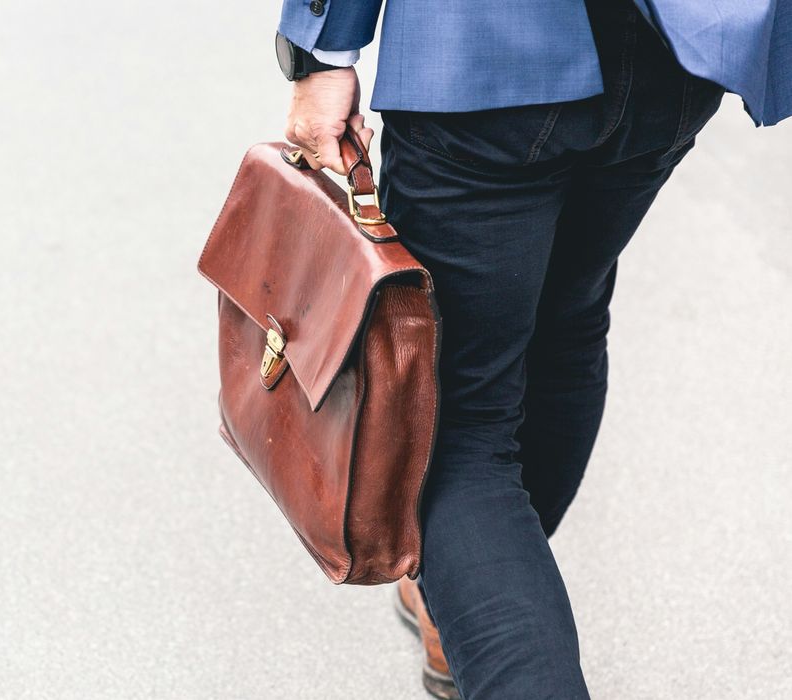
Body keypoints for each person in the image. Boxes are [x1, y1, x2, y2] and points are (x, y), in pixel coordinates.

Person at [274, 0, 790, 697]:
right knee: (565, 321)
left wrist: (321, 49)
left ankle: (477, 587)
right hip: (673, 57)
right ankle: (471, 587)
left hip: (485, 50)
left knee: (453, 423)